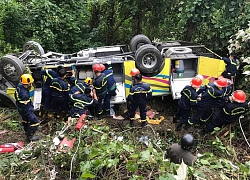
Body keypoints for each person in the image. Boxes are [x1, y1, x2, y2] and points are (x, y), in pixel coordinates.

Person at [15, 74, 40, 141]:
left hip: (20, 108)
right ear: (28, 83)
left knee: (25, 120)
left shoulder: (19, 86)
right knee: (35, 122)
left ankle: (27, 131)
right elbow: (26, 108)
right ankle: (30, 137)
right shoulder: (24, 95)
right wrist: (30, 114)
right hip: (26, 110)